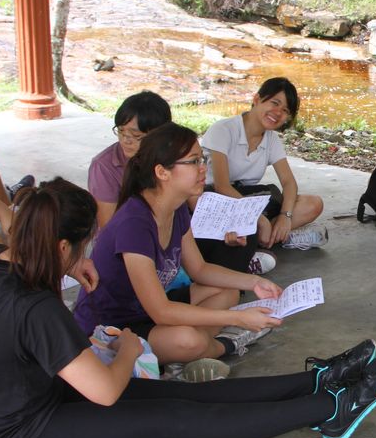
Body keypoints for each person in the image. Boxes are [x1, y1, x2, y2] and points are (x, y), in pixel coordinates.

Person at [0, 177, 376, 438]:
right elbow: (104, 391)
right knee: (177, 419)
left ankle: (314, 380)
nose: (87, 255)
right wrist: (129, 348)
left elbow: (28, 319)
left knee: (185, 395)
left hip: (36, 399)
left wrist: (70, 265)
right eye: (82, 247)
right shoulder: (34, 306)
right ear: (59, 245)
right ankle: (329, 408)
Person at [73, 122, 292, 364]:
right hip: (111, 328)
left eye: (202, 159)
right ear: (162, 172)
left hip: (148, 312)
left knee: (228, 292)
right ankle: (224, 345)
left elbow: (200, 269)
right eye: (193, 161)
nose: (203, 168)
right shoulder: (134, 224)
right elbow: (161, 311)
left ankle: (188, 352)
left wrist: (255, 282)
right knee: (187, 340)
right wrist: (237, 319)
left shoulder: (175, 208)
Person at [201, 77, 325, 251]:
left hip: (247, 200)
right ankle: (271, 238)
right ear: (257, 99)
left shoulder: (271, 139)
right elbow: (221, 186)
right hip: (218, 202)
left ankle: (267, 238)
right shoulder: (224, 129)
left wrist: (285, 216)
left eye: (285, 110)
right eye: (275, 103)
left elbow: (289, 183)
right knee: (244, 224)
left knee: (313, 204)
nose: (278, 113)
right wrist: (259, 219)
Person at [88, 91, 173, 230]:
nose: (126, 140)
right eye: (121, 131)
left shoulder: (173, 155)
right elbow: (108, 228)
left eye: (136, 135)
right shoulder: (104, 167)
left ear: (160, 134)